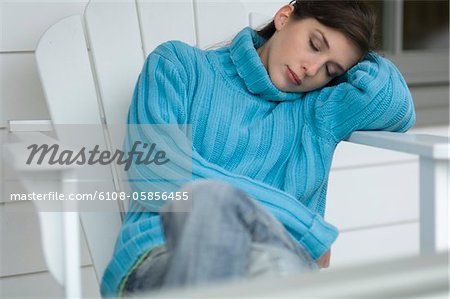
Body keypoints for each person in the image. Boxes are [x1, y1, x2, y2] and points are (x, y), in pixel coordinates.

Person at [100, 0, 416, 297]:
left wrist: (358, 52)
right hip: (166, 256)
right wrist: (301, 224)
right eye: (314, 44)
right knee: (211, 201)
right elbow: (156, 170)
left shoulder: (317, 110)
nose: (312, 69)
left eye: (331, 70)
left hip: (276, 265)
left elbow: (398, 107)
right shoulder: (179, 66)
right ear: (284, 17)